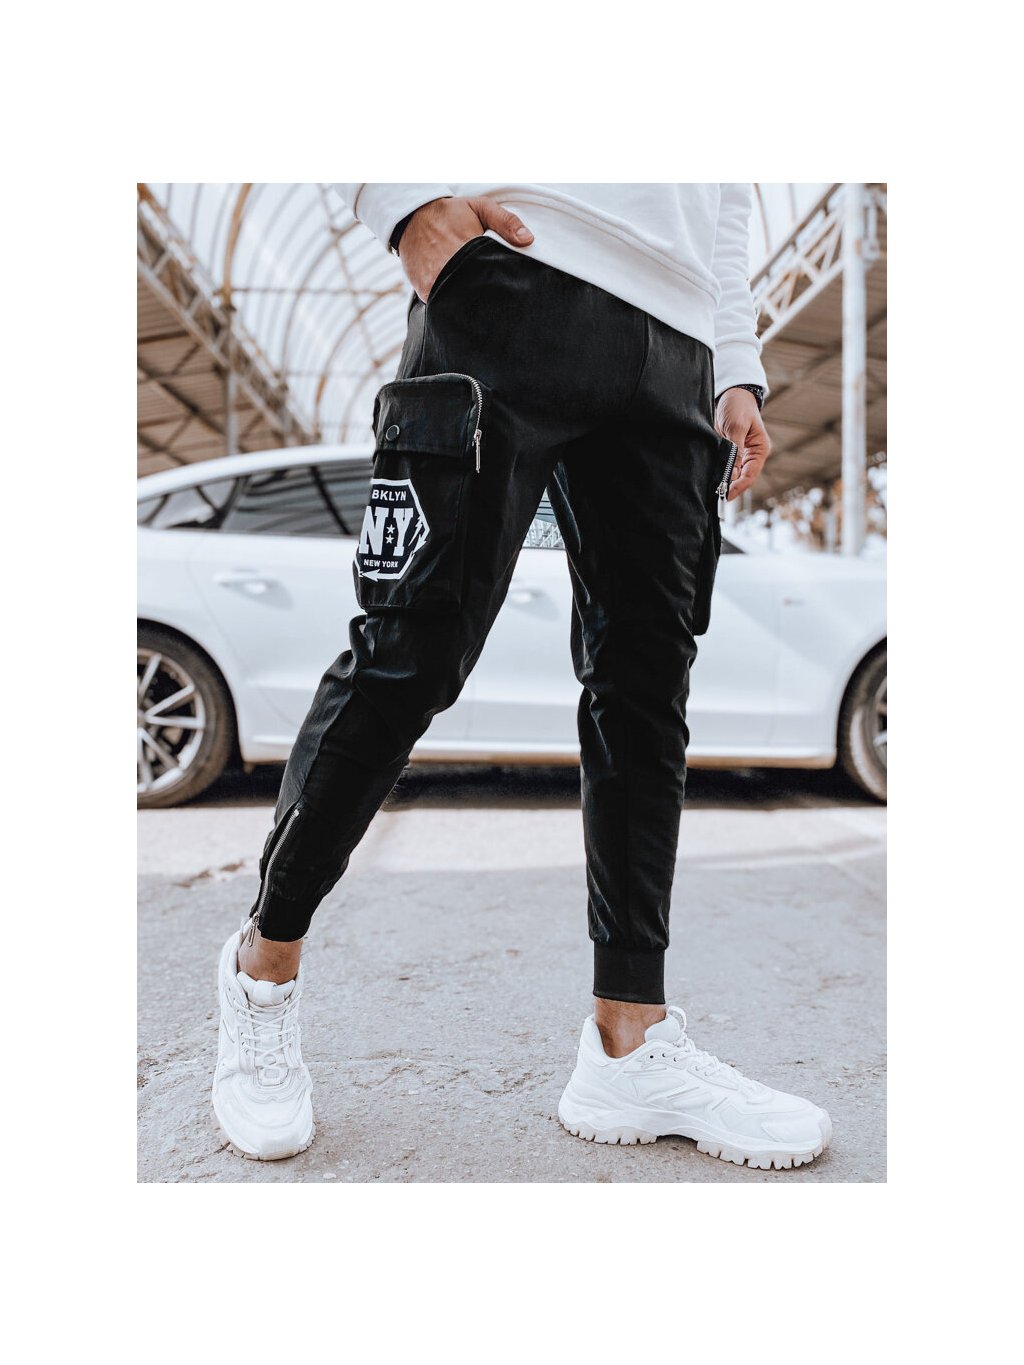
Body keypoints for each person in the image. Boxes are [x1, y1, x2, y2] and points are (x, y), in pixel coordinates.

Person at [212, 183, 832, 1171]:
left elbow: (723, 202)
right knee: (408, 658)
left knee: (647, 696)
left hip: (679, 355)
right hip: (513, 278)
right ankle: (262, 970)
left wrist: (736, 364)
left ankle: (628, 1044)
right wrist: (398, 201)